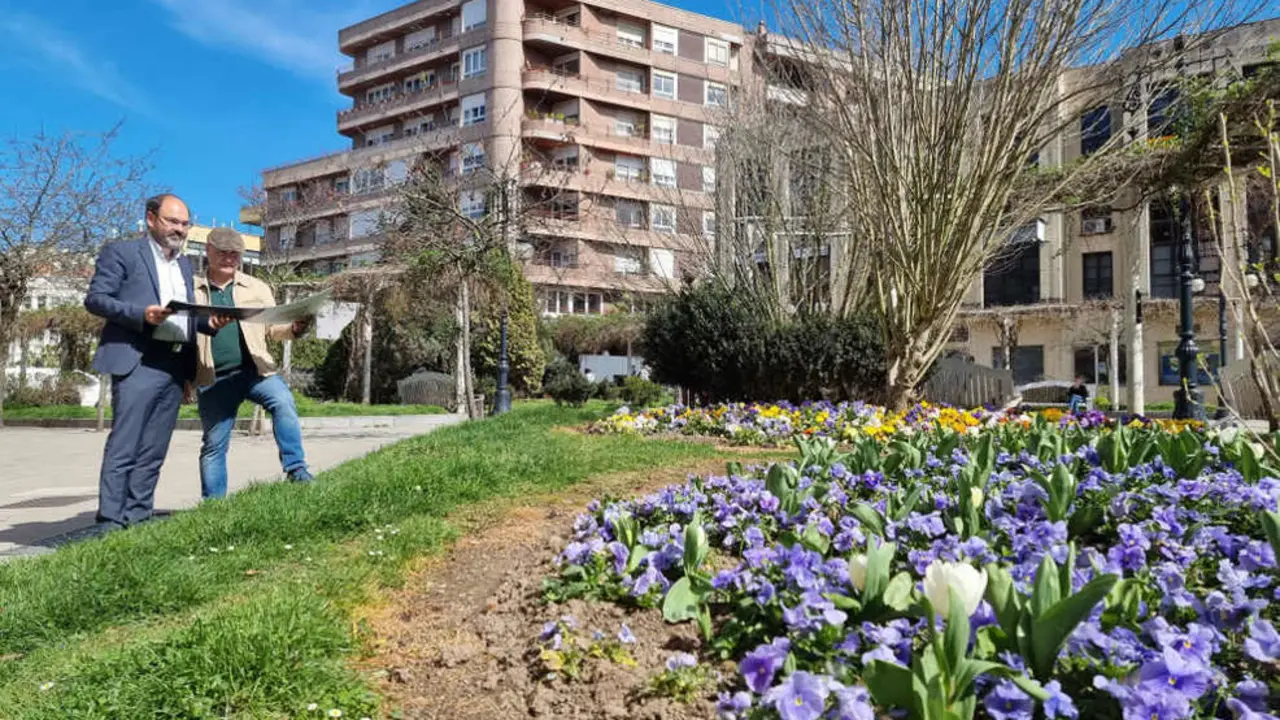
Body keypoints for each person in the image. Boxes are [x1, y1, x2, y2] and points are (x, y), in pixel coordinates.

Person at [85, 194, 229, 531]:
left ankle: (137, 516)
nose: (179, 229)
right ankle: (110, 521)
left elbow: (183, 316)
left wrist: (210, 323)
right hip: (137, 361)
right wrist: (141, 315)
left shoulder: (183, 265)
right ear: (151, 219)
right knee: (125, 445)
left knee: (153, 449)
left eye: (184, 224)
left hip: (174, 365)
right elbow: (95, 299)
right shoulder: (121, 253)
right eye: (172, 221)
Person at [192, 227, 314, 500]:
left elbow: (273, 328)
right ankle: (214, 508)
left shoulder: (257, 287)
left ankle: (296, 470)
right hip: (214, 378)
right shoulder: (190, 288)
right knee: (214, 444)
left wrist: (295, 327)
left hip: (258, 371)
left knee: (283, 403)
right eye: (222, 252)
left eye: (234, 254)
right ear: (208, 250)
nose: (228, 258)